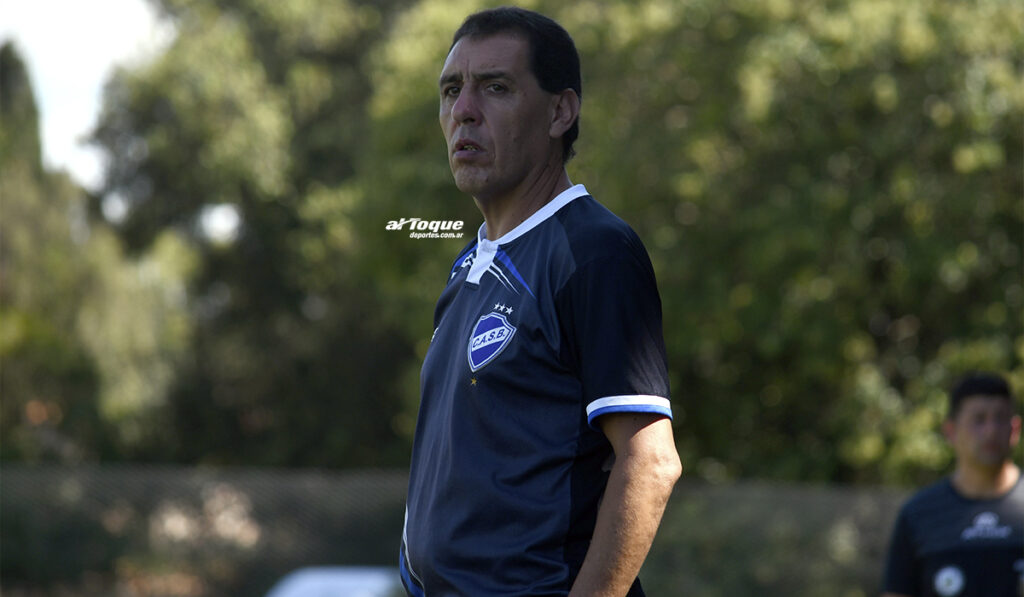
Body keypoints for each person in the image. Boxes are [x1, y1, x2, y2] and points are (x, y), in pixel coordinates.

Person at [399, 7, 681, 596]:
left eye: (495, 87)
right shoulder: (469, 265)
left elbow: (650, 462)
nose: (464, 110)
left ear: (560, 111)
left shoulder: (592, 251)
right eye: (451, 90)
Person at [882, 372, 1024, 597]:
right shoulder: (918, 515)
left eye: (999, 418)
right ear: (951, 431)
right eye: (979, 420)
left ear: (1014, 430)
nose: (991, 431)